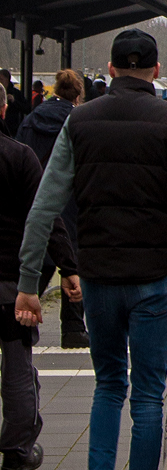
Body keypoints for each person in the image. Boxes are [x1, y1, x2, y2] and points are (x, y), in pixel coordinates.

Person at [16, 27, 167, 470]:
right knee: (147, 398)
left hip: (99, 276)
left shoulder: (79, 122)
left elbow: (44, 206)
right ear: (154, 71)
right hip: (153, 281)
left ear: (108, 67)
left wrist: (30, 284)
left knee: (108, 386)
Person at [1, 129, 80, 470]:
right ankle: (17, 450)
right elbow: (45, 214)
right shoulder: (19, 157)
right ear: (3, 110)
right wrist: (68, 265)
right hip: (9, 283)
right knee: (17, 365)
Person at [17, 68, 88, 347]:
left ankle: (21, 314)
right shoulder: (78, 120)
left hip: (37, 198)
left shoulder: (31, 119)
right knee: (72, 262)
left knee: (40, 260)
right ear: (79, 94)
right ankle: (72, 327)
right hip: (71, 203)